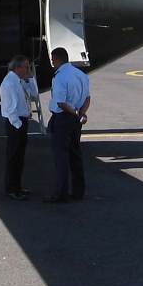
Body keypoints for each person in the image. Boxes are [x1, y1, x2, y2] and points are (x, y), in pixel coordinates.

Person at [43, 46, 90, 203]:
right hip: (76, 119)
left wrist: (75, 113)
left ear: (57, 60)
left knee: (61, 157)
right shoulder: (81, 75)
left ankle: (61, 193)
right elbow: (88, 98)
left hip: (64, 118)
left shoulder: (60, 77)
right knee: (75, 155)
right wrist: (81, 113)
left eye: (53, 60)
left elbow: (61, 103)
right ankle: (78, 191)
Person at [0, 54, 37, 200]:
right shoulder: (10, 83)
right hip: (15, 124)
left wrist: (31, 76)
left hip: (21, 122)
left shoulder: (19, 81)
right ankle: (11, 189)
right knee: (13, 158)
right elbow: (10, 109)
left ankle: (18, 187)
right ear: (17, 67)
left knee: (19, 158)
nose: (27, 70)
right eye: (26, 67)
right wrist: (19, 125)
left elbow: (34, 93)